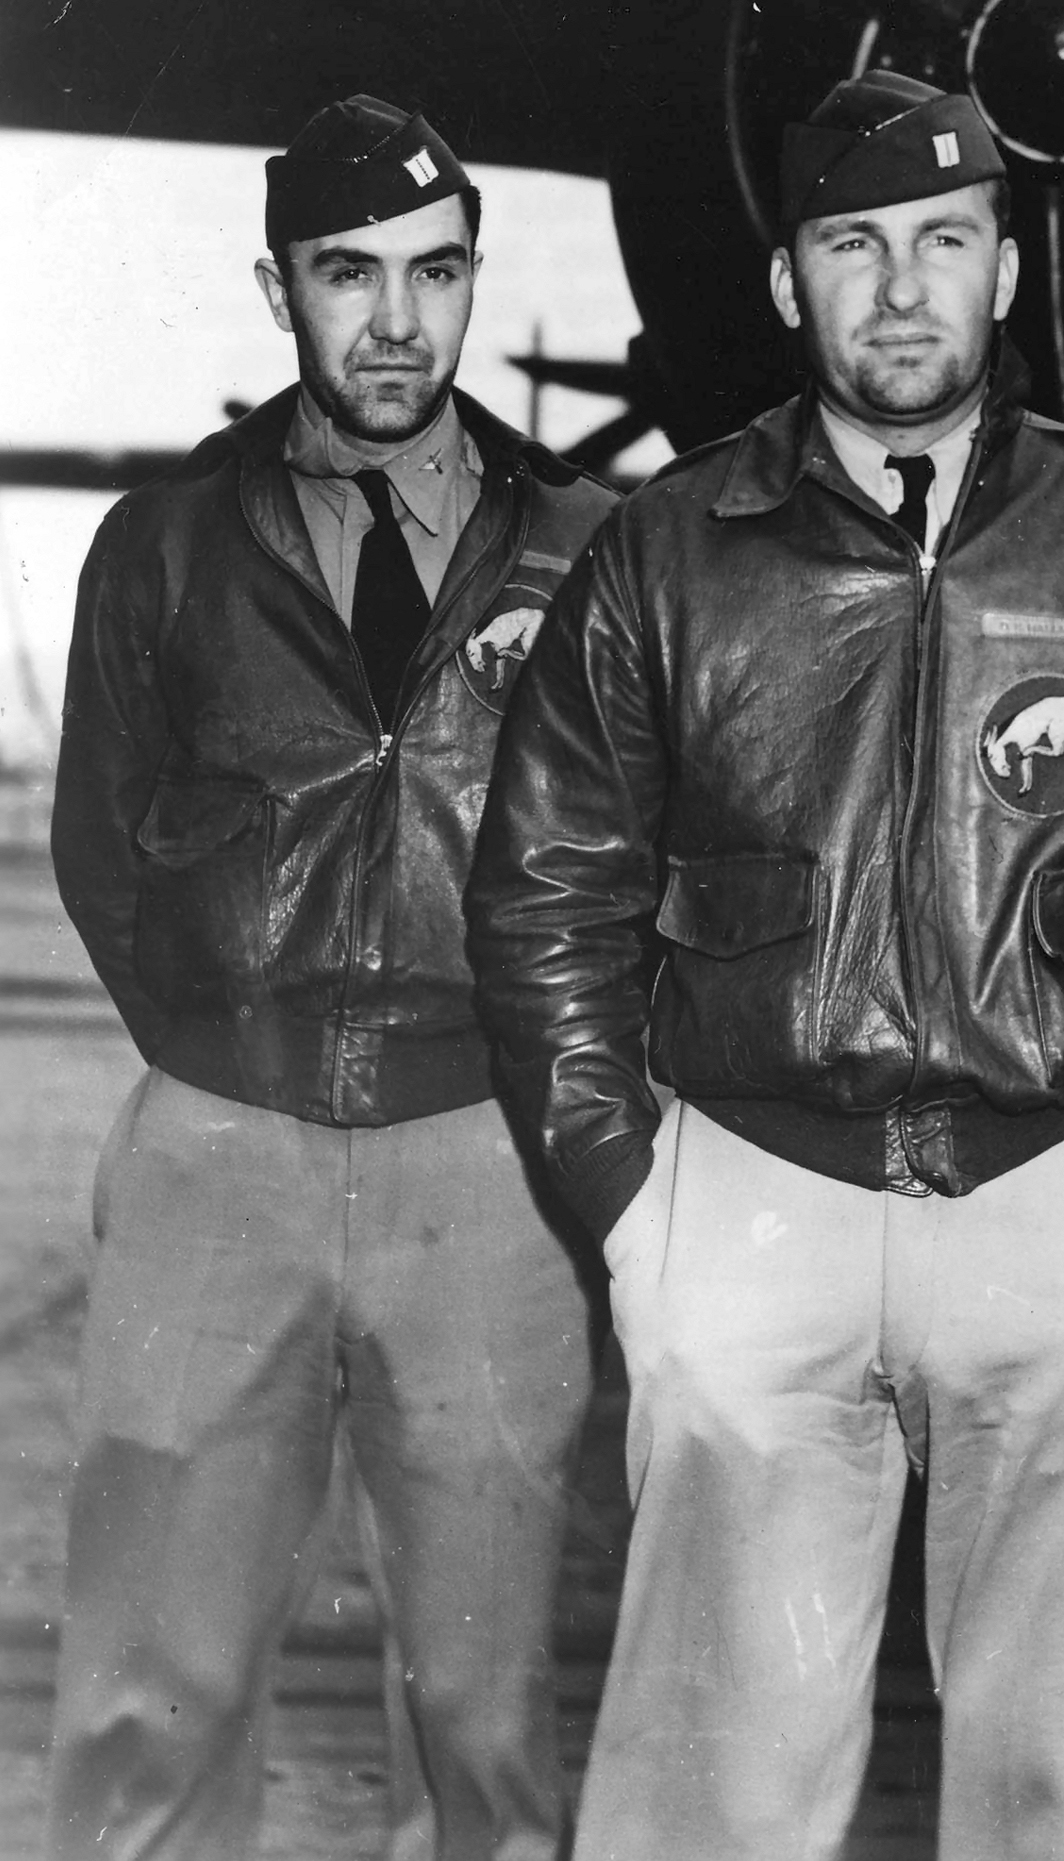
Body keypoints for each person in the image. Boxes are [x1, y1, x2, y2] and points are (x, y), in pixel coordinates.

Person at [464, 71, 1064, 1860]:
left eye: (946, 239)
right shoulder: (665, 556)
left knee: (1063, 1790)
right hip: (754, 1192)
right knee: (713, 1788)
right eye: (854, 243)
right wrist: (633, 1208)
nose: (904, 284)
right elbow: (547, 895)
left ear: (1007, 265)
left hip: (1059, 1185)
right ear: (788, 285)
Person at [46, 95, 614, 1861]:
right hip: (223, 1143)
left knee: (485, 1710)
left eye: (436, 275)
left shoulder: (589, 547)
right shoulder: (164, 545)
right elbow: (104, 844)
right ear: (278, 286)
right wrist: (236, 1056)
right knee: (153, 1690)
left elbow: (633, 858)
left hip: (489, 1168)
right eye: (348, 273)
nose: (396, 319)